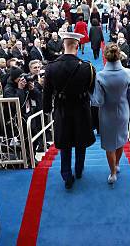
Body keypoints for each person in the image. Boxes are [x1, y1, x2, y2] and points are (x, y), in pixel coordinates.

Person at [43, 31, 96, 189]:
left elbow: (47, 93)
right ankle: (79, 170)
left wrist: (47, 110)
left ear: (63, 45)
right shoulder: (88, 68)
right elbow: (91, 90)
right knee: (80, 143)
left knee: (65, 143)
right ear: (77, 46)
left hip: (62, 110)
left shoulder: (51, 68)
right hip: (81, 109)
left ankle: (66, 174)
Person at [92, 44, 130, 185]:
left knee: (110, 144)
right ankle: (117, 165)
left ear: (105, 56)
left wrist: (88, 93)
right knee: (121, 140)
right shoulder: (129, 73)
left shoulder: (100, 75)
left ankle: (113, 173)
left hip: (107, 114)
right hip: (124, 112)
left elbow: (98, 100)